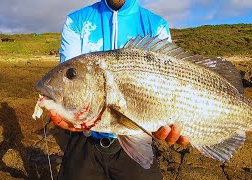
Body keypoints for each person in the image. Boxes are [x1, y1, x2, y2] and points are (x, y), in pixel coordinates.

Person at [50, 0, 190, 179]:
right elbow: (67, 83)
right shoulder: (76, 22)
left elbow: (173, 81)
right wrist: (61, 109)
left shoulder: (156, 25)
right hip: (85, 139)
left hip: (135, 137)